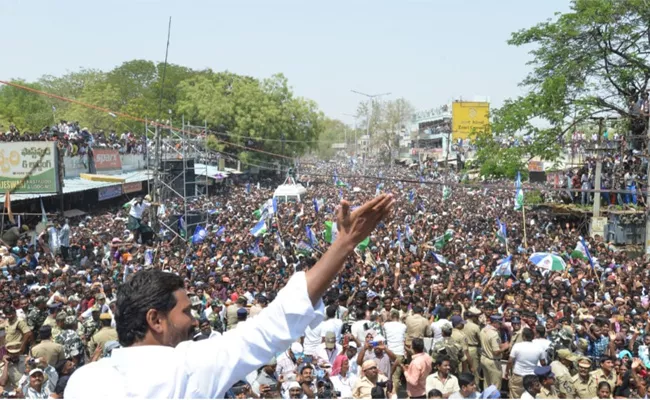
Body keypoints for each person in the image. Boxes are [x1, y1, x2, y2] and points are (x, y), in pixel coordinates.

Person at [64, 194, 395, 399]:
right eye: (186, 311)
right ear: (155, 319)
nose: (194, 321)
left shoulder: (83, 382)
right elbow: (274, 324)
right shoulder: (188, 369)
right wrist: (344, 243)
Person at [505, 327, 545, 398]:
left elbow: (510, 361)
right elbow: (543, 363)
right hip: (532, 377)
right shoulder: (539, 347)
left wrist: (506, 371)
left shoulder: (517, 346)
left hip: (518, 376)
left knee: (515, 396)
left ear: (523, 336)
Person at [479, 314, 508, 391]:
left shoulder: (483, 329)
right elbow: (496, 352)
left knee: (487, 384)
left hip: (484, 358)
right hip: (493, 361)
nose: (500, 325)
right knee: (495, 386)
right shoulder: (494, 334)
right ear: (495, 323)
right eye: (500, 323)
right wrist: (505, 347)